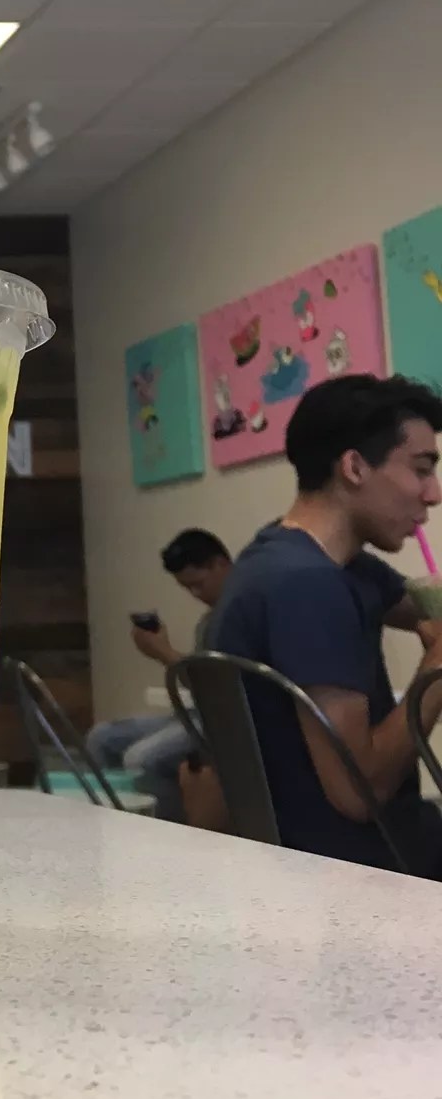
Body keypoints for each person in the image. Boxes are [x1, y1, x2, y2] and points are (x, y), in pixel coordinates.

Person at [205, 374, 442, 874]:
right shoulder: (308, 585)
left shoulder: (297, 555)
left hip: (330, 847)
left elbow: (421, 608)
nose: (434, 493)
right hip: (350, 868)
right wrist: (437, 667)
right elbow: (359, 792)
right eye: (422, 470)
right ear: (354, 467)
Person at [85, 529, 232, 820]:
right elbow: (200, 682)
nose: (195, 594)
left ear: (220, 564)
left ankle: (164, 837)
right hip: (199, 711)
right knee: (101, 738)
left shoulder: (239, 612)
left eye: (198, 584)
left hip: (226, 720)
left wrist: (164, 653)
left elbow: (220, 689)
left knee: (141, 758)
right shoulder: (208, 621)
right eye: (187, 588)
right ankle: (110, 825)